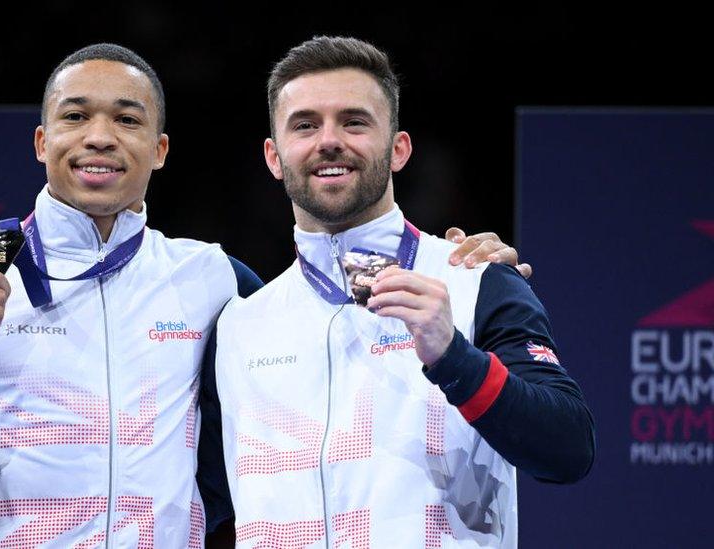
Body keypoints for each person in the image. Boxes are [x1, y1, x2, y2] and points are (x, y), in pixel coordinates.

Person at [0, 43, 527, 547]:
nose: (100, 137)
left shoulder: (211, 280)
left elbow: (316, 326)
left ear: (161, 148)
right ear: (41, 140)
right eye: (76, 116)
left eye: (128, 119)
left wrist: (468, 265)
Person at [212, 36, 595, 548]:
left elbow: (569, 450)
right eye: (305, 125)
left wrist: (454, 358)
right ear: (274, 156)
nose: (329, 140)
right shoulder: (241, 323)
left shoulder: (476, 280)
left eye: (354, 121)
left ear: (398, 149)